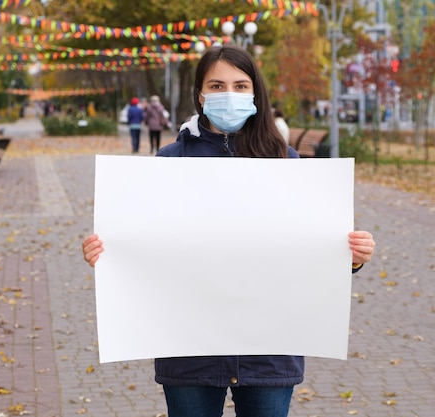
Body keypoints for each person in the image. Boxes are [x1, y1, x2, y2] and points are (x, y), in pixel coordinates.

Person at [82, 44, 376, 417]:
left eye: (240, 86)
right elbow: (144, 247)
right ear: (200, 95)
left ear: (255, 94)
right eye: (217, 85)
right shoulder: (169, 164)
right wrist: (106, 254)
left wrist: (350, 257)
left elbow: (308, 248)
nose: (229, 95)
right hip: (189, 354)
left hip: (269, 351)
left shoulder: (287, 163)